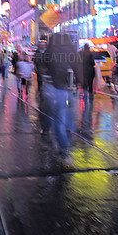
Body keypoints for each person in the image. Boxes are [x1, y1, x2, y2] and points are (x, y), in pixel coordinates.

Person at [43, 33, 82, 165]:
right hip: (66, 88)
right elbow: (78, 67)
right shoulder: (70, 51)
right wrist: (80, 82)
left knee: (57, 118)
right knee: (68, 119)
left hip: (52, 88)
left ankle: (62, 146)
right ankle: (65, 144)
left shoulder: (50, 51)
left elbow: (43, 64)